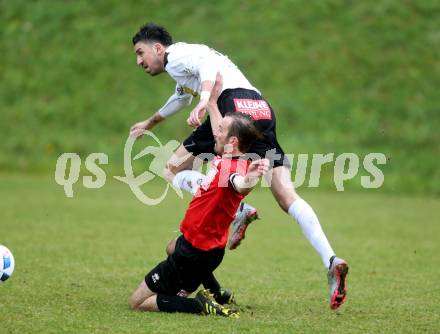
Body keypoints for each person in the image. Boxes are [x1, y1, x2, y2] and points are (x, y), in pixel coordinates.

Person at [130, 23, 349, 309]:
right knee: (287, 196)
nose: (139, 61)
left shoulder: (176, 55)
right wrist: (150, 122)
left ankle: (238, 209)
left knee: (171, 169)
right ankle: (331, 259)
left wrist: (207, 101)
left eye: (140, 53)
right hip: (260, 107)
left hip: (230, 105)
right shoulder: (181, 65)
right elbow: (181, 97)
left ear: (157, 48)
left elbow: (208, 68)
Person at [128, 111, 270, 317]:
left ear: (232, 140)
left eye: (220, 130)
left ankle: (200, 305)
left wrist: (250, 179)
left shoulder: (231, 170)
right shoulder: (231, 157)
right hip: (206, 247)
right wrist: (212, 102)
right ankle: (215, 291)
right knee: (171, 246)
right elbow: (219, 132)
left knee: (137, 302)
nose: (215, 133)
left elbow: (240, 185)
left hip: (193, 252)